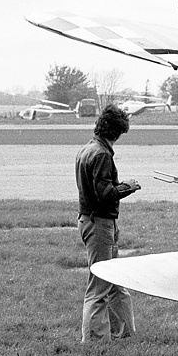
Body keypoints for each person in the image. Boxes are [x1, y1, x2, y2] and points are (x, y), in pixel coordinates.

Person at [75, 104, 141, 343]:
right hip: (99, 223)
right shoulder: (102, 154)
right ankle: (94, 342)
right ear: (115, 132)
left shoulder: (87, 149)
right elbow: (105, 193)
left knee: (115, 281)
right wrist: (128, 187)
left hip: (93, 221)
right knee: (100, 286)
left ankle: (124, 334)